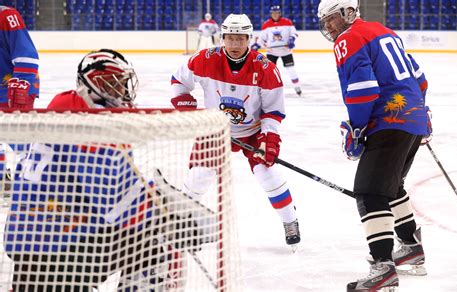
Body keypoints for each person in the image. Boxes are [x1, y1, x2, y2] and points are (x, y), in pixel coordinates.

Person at [4, 49, 199, 291]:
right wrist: (166, 213)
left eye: (121, 84)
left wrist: (161, 201)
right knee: (152, 238)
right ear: (90, 85)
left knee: (147, 229)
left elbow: (111, 189)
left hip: (43, 245)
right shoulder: (83, 114)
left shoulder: (71, 106)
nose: (121, 91)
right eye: (111, 84)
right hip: (53, 253)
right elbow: (113, 203)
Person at [317, 0, 431, 291]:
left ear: (348, 12)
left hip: (389, 120)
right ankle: (410, 246)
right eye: (325, 21)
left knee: (369, 191)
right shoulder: (384, 31)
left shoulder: (348, 39)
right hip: (411, 118)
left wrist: (356, 129)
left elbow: (363, 89)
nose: (329, 26)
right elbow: (420, 79)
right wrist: (420, 112)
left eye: (332, 18)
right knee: (390, 187)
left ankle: (383, 266)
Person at [170, 13, 301, 249]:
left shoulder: (266, 68)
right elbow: (179, 79)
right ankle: (181, 222)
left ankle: (290, 220)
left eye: (240, 39)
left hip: (252, 131)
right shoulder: (205, 59)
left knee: (267, 175)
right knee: (199, 175)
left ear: (249, 39)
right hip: (215, 128)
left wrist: (269, 137)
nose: (235, 44)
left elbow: (273, 111)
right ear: (223, 38)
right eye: (230, 38)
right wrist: (181, 99)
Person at [0, 5, 40, 201]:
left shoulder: (6, 16)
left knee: (21, 139)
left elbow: (27, 54)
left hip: (14, 88)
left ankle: (32, 181)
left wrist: (22, 82)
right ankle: (2, 179)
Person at [251, 5, 302, 96]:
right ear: (271, 14)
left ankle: (297, 87)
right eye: (273, 13)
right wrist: (257, 45)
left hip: (285, 51)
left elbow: (294, 33)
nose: (275, 14)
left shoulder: (287, 22)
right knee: (268, 72)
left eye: (277, 13)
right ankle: (269, 89)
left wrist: (291, 39)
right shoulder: (266, 24)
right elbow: (261, 39)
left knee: (291, 70)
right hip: (271, 52)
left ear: (280, 13)